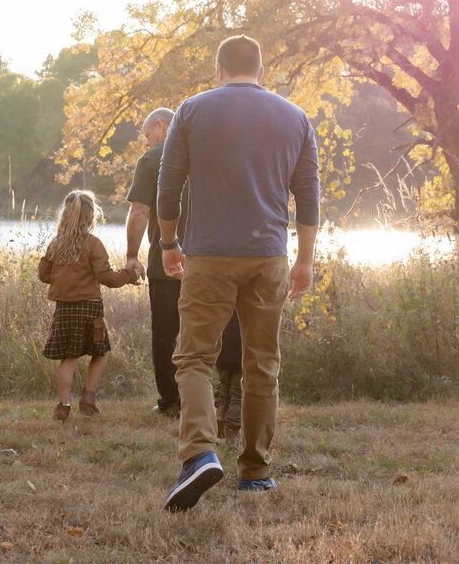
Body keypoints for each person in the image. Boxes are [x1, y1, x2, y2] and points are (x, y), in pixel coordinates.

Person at [157, 35, 319, 512]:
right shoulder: (295, 117)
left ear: (219, 69)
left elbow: (169, 185)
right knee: (261, 362)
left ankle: (200, 453)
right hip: (269, 255)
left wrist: (169, 242)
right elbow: (307, 197)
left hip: (208, 255)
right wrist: (304, 259)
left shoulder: (192, 110)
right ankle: (255, 472)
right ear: (261, 71)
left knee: (193, 359)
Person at [38, 190, 139, 421]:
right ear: (90, 217)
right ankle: (88, 397)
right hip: (90, 309)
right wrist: (129, 274)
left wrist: (64, 277)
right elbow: (107, 278)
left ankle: (63, 406)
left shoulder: (56, 244)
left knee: (68, 358)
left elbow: (44, 274)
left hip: (64, 309)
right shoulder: (93, 244)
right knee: (100, 352)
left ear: (64, 216)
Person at [124, 107, 185, 419]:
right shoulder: (201, 152)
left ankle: (171, 402)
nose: (146, 144)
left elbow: (138, 213)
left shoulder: (152, 159)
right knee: (205, 333)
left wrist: (132, 256)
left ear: (161, 126)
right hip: (207, 262)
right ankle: (212, 398)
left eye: (147, 136)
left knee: (165, 334)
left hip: (165, 262)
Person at [214, 311, 243, 447]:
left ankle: (219, 412)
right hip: (241, 357)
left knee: (224, 384)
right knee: (238, 394)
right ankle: (232, 432)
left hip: (222, 352)